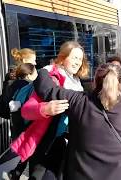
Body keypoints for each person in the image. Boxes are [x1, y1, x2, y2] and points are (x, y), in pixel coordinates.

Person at [10, 41, 89, 180]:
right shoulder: (53, 78)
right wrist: (45, 108)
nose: (78, 62)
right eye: (74, 57)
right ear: (63, 57)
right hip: (46, 142)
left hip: (63, 140)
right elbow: (27, 110)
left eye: (80, 59)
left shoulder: (76, 81)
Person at [2, 48, 37, 180]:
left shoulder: (14, 78)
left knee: (30, 152)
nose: (35, 63)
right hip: (23, 123)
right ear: (25, 62)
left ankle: (15, 174)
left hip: (21, 123)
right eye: (33, 61)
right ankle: (16, 174)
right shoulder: (20, 81)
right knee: (31, 153)